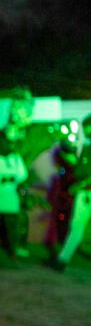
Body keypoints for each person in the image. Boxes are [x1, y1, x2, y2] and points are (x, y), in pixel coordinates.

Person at [51, 113, 91, 271]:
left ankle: (63, 259)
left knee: (77, 227)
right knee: (76, 227)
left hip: (84, 191)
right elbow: (79, 170)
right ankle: (63, 259)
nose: (86, 132)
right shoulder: (86, 148)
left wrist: (82, 183)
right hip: (84, 194)